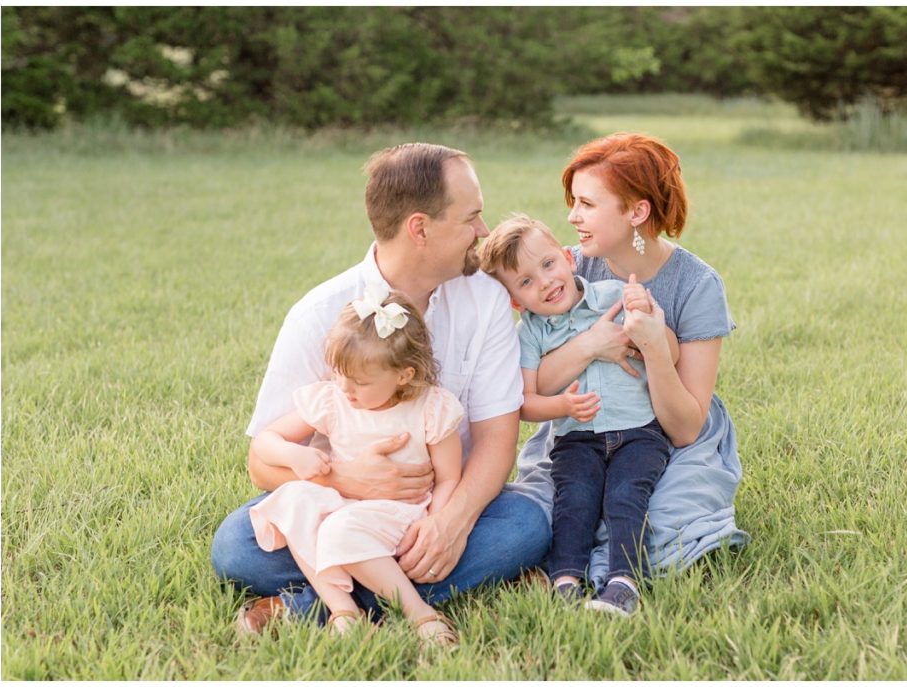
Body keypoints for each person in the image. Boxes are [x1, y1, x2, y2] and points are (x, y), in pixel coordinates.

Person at [211, 143, 551, 634]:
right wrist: (345, 481)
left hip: (437, 506)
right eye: (471, 218)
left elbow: (498, 442)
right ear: (420, 228)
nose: (483, 232)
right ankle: (429, 589)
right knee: (236, 547)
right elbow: (263, 463)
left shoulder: (486, 301)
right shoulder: (319, 314)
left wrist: (449, 524)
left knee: (526, 524)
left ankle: (309, 607)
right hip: (340, 510)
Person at [505, 132, 749, 594]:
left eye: (587, 204)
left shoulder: (696, 285)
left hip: (665, 428)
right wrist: (592, 345)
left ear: (636, 212)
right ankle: (574, 569)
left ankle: (616, 578)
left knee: (663, 524)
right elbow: (536, 386)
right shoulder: (562, 269)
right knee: (551, 509)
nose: (572, 217)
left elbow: (685, 428)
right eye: (572, 202)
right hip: (580, 426)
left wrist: (656, 347)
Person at [479, 214, 679, 616]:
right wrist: (562, 407)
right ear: (516, 301)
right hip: (575, 439)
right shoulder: (529, 334)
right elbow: (525, 403)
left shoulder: (616, 295)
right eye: (526, 282)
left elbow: (670, 353)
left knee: (625, 497)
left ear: (569, 259)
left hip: (638, 431)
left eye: (548, 265)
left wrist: (647, 319)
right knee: (575, 502)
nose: (546, 282)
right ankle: (566, 581)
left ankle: (623, 584)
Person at [249, 286, 464, 644]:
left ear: (404, 376)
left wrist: (436, 523)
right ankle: (343, 610)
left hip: (401, 515)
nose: (345, 388)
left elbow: (448, 478)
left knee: (338, 530)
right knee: (292, 500)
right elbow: (264, 442)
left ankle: (421, 614)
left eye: (360, 382)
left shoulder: (430, 409)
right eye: (338, 373)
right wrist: (294, 455)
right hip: (345, 505)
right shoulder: (335, 401)